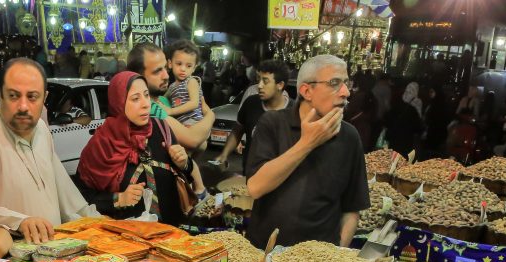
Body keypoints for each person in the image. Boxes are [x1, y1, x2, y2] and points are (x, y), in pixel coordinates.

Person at [0, 58, 93, 244]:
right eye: (13, 96)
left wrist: (94, 220)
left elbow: (65, 192)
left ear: (44, 97)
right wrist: (19, 222)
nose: (23, 106)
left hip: (52, 252)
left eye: (32, 97)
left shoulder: (41, 129)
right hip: (6, 260)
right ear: (0, 95)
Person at [245, 55, 369, 249]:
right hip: (264, 255)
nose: (345, 92)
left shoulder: (349, 136)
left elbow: (351, 209)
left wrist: (336, 253)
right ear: (306, 91)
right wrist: (307, 143)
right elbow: (255, 187)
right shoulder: (273, 123)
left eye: (346, 83)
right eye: (334, 83)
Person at [77, 71, 205, 226]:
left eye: (146, 95)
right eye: (135, 99)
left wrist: (183, 163)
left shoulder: (161, 128)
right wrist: (118, 199)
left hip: (173, 235)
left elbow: (185, 171)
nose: (145, 104)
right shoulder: (101, 145)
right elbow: (82, 198)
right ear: (119, 102)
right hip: (127, 240)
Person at [126, 43, 216, 151]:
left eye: (165, 68)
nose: (166, 76)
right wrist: (210, 116)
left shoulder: (165, 99)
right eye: (157, 71)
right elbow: (193, 140)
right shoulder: (149, 108)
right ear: (138, 75)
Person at [214, 60, 291, 173]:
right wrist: (224, 154)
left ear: (280, 85)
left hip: (281, 178)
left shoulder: (294, 111)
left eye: (265, 81)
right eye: (259, 80)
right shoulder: (250, 103)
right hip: (250, 173)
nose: (259, 86)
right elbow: (237, 131)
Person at [164, 40, 204, 126]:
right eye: (179, 64)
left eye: (188, 66)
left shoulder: (191, 81)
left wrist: (171, 111)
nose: (183, 69)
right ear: (170, 63)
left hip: (194, 121)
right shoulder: (172, 86)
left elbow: (194, 103)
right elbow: (162, 99)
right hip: (180, 124)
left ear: (194, 68)